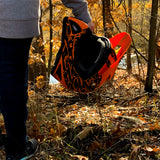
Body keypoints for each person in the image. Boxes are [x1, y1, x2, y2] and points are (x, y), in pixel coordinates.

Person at [0, 0, 94, 159]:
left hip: (13, 17)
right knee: (13, 82)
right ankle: (17, 150)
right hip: (15, 17)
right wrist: (83, 14)